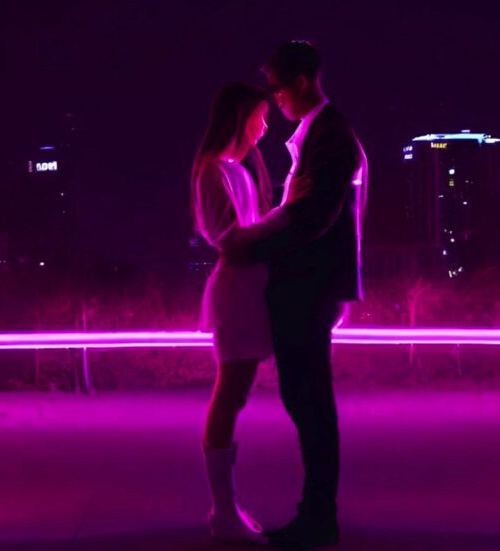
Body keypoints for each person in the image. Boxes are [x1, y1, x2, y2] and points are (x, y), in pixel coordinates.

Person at [225, 40, 368, 550]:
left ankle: (318, 518)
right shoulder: (322, 133)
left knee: (310, 402)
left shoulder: (330, 136)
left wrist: (251, 249)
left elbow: (313, 218)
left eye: (279, 88)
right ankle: (316, 514)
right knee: (306, 400)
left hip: (308, 288)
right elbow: (308, 214)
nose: (276, 97)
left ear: (302, 82)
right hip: (308, 286)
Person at [191, 81, 284, 544]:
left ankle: (226, 507)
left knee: (235, 393)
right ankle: (223, 510)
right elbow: (229, 238)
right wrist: (283, 222)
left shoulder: (235, 171)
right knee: (230, 394)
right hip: (237, 294)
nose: (265, 126)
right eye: (260, 116)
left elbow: (245, 232)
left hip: (249, 292)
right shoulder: (214, 171)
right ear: (240, 117)